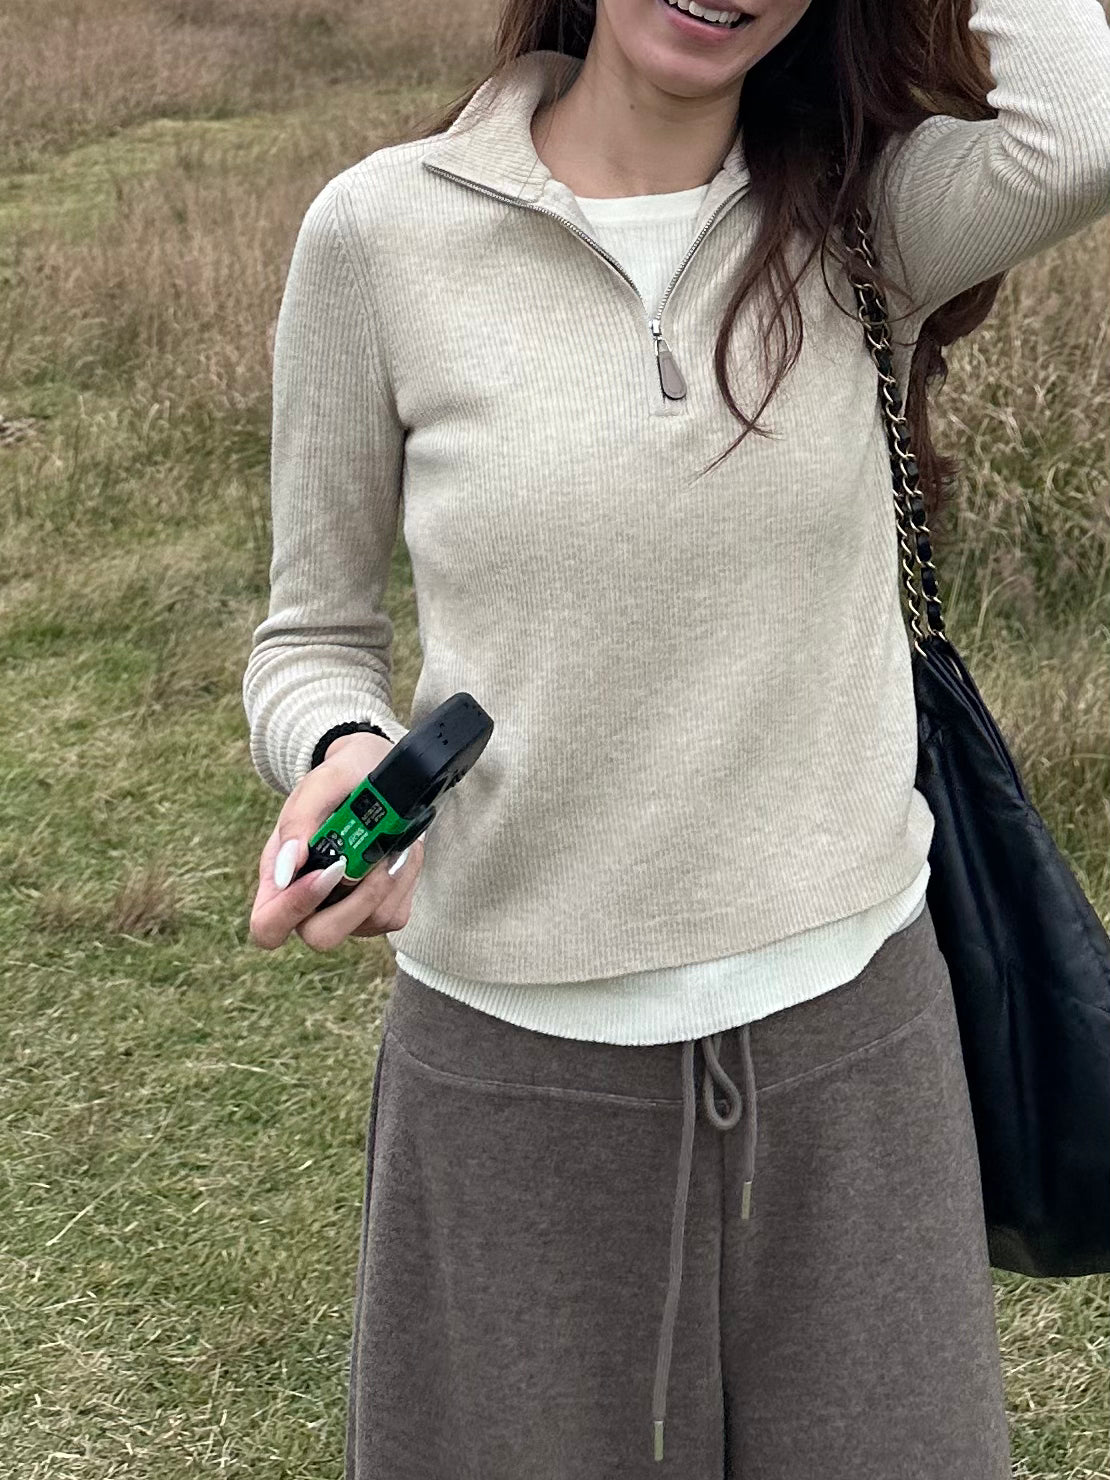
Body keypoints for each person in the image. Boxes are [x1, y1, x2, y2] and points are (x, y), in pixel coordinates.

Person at [242, 0, 1110, 1475]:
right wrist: (338, 746)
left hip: (856, 1054)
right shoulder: (382, 234)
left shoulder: (862, 226)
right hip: (514, 1076)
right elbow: (310, 635)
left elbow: (1080, 129)